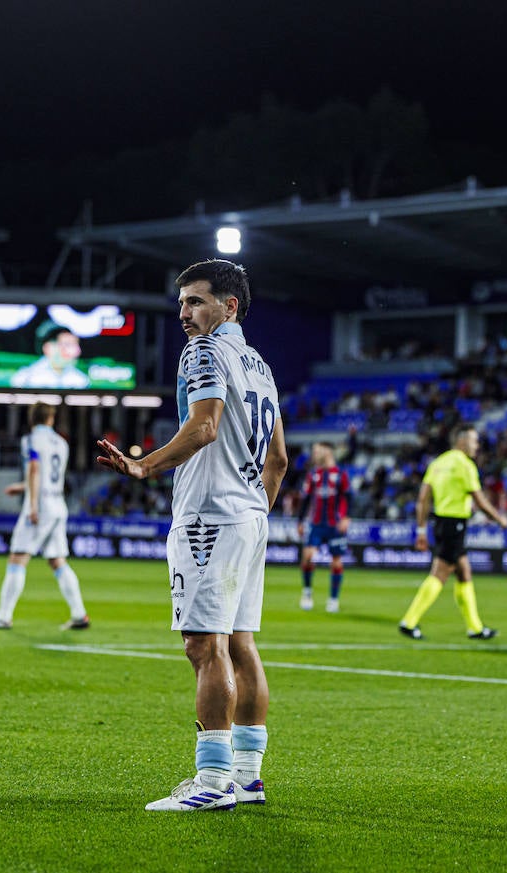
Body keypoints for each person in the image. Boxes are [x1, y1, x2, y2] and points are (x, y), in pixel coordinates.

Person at [97, 259, 288, 813]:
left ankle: (211, 782)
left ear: (228, 307)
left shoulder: (204, 352)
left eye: (196, 301)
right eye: (182, 302)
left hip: (210, 516)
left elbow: (204, 425)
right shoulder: (261, 365)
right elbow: (277, 459)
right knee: (241, 645)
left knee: (204, 647)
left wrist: (142, 467)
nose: (184, 313)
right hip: (250, 517)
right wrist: (254, 509)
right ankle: (248, 778)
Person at [0, 401, 90, 631]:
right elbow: (49, 476)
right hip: (58, 503)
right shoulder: (61, 443)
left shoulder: (31, 439)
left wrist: (31, 505)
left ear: (32, 418)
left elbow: (35, 469)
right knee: (57, 560)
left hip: (40, 505)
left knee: (17, 558)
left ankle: (3, 616)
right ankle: (79, 615)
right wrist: (23, 487)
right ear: (51, 419)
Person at [398, 424, 507, 640]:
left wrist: (421, 530)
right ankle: (409, 621)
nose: (477, 446)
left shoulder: (438, 463)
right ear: (462, 441)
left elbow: (422, 499)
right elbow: (480, 499)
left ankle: (475, 628)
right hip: (455, 523)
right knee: (440, 573)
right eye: (474, 441)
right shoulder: (465, 465)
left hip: (440, 523)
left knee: (463, 572)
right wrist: (499, 518)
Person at [295, 441, 351, 612]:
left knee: (336, 562)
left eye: (317, 450)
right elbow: (305, 500)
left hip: (335, 525)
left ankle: (333, 600)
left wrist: (346, 517)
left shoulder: (340, 474)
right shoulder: (313, 475)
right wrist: (300, 521)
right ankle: (307, 592)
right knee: (308, 556)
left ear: (328, 452)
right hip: (316, 524)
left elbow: (349, 497)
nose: (315, 454)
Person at [10, 321, 91, 389]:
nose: (76, 351)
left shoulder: (81, 380)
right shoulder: (24, 379)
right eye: (68, 344)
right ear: (48, 347)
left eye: (76, 345)